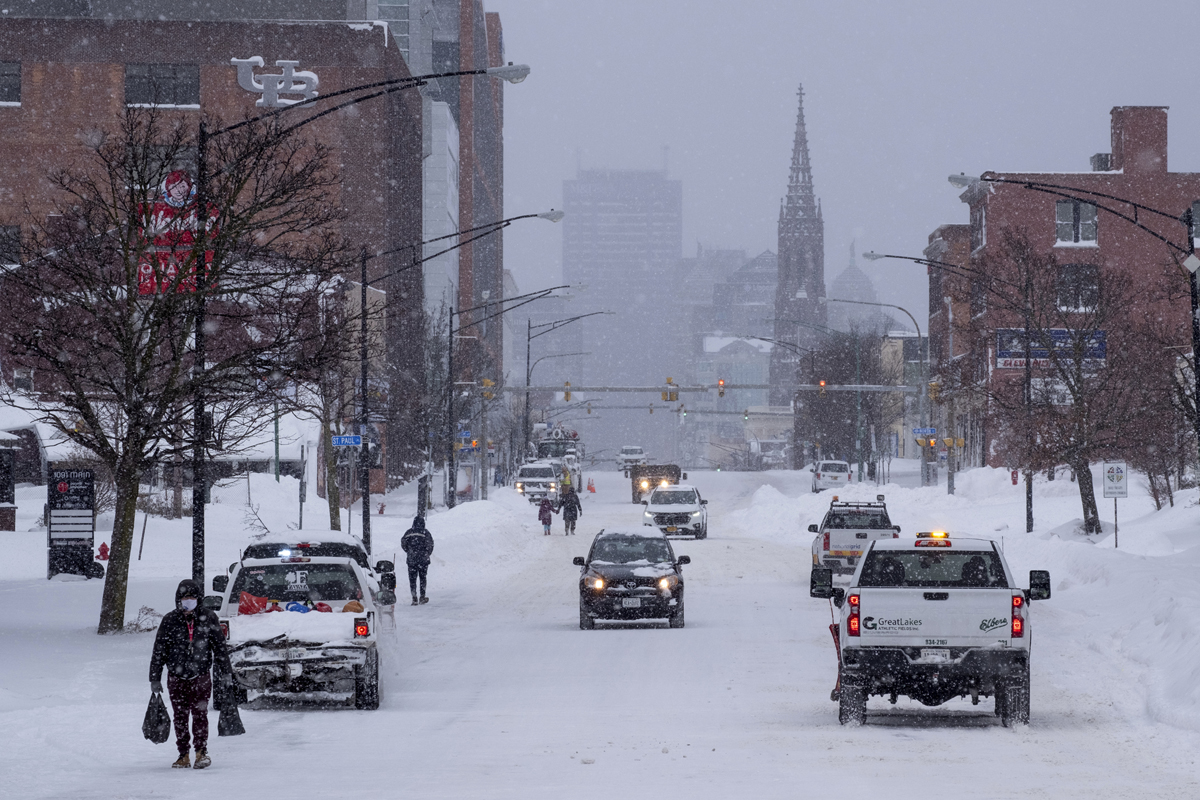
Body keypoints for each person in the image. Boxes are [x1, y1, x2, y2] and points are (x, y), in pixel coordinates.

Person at [149, 579, 233, 770]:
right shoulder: (170, 620)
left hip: (200, 676)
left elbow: (220, 647)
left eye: (192, 597)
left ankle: (201, 752)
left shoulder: (209, 617)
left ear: (198, 598)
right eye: (184, 597)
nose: (188, 600)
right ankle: (183, 754)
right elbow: (159, 650)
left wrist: (226, 672)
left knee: (200, 714)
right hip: (176, 678)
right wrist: (154, 677)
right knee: (180, 715)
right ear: (178, 599)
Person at [401, 516, 435, 605]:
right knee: (423, 578)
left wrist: (409, 551)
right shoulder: (425, 533)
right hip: (423, 560)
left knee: (412, 579)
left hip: (412, 560)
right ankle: (422, 597)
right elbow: (430, 545)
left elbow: (403, 543)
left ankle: (414, 597)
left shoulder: (409, 532)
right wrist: (426, 553)